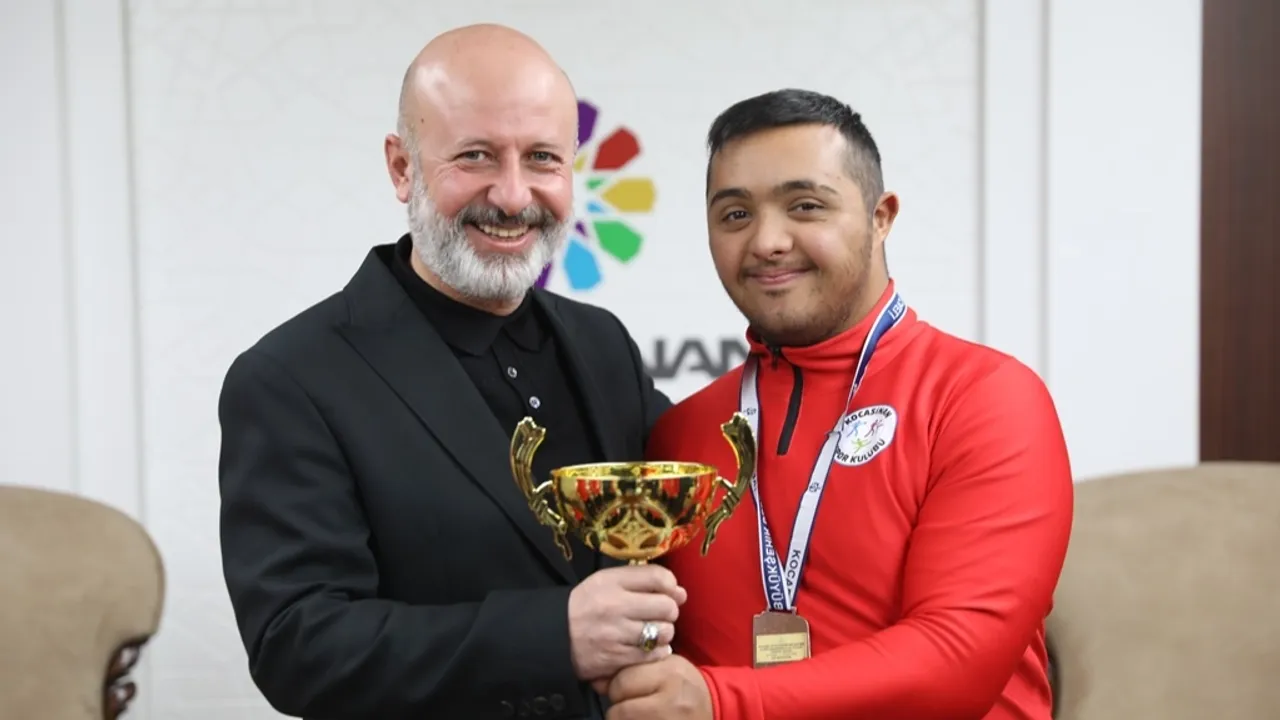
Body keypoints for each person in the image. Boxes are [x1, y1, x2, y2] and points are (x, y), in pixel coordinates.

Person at [216, 24, 680, 720]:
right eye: (476, 156)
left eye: (543, 158)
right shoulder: (290, 379)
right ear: (402, 167)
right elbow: (297, 645)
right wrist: (550, 637)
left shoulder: (602, 342)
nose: (514, 196)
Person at [604, 89, 1074, 720]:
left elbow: (956, 663)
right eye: (735, 215)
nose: (768, 241)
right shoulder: (680, 435)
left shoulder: (984, 400)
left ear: (881, 217)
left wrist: (723, 702)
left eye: (805, 206)